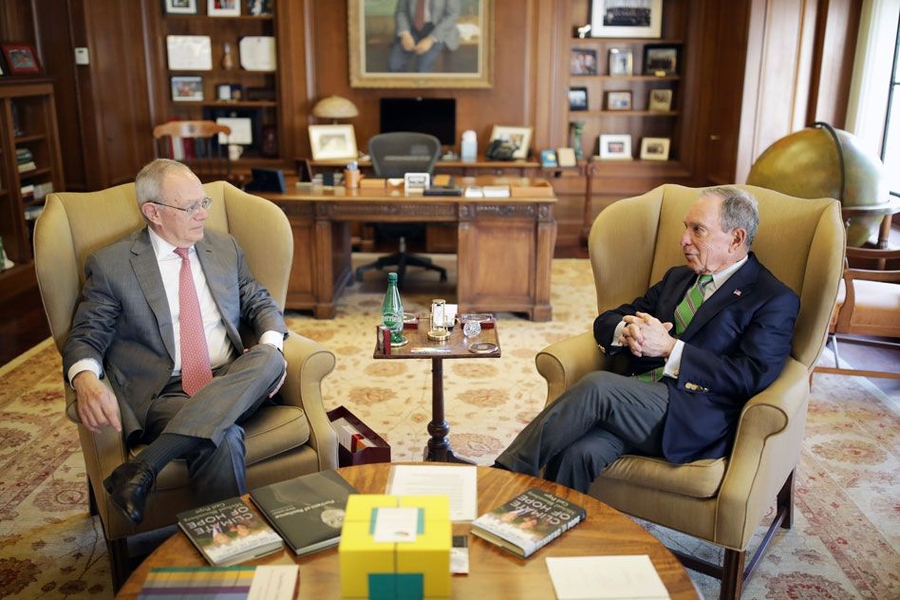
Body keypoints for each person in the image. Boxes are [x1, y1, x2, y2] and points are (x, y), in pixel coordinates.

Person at [494, 186, 800, 493]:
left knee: (597, 386)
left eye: (698, 231)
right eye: (685, 228)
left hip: (692, 415)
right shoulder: (678, 278)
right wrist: (626, 332)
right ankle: (541, 529)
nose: (683, 240)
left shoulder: (772, 298)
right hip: (636, 398)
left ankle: (500, 479)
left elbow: (751, 376)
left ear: (736, 238)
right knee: (579, 453)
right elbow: (611, 318)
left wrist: (670, 349)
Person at [63, 158, 288, 524]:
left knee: (272, 356)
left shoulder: (223, 247)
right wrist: (85, 379)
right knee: (223, 438)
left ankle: (144, 466)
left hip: (231, 376)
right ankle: (228, 551)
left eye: (204, 203)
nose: (202, 215)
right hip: (164, 393)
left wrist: (270, 341)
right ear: (153, 212)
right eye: (190, 207)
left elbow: (259, 300)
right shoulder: (112, 264)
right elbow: (87, 334)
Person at [388, 0, 461, 73]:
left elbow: (452, 15)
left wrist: (431, 39)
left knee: (423, 70)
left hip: (437, 29)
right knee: (395, 65)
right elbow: (401, 11)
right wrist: (405, 34)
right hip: (411, 28)